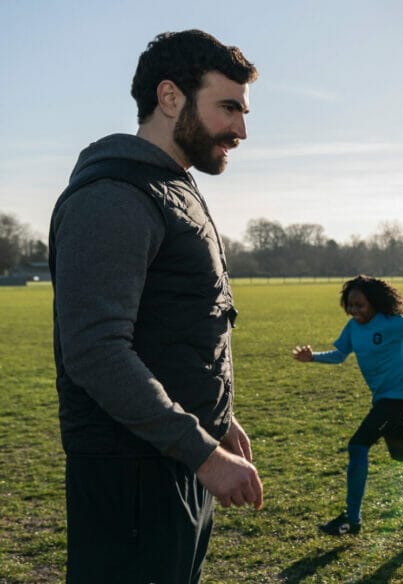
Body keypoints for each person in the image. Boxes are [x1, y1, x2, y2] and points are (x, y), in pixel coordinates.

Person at [48, 30, 262, 581]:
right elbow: (96, 352)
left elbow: (177, 322)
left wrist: (218, 415)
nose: (241, 129)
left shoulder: (171, 185)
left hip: (176, 456)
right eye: (229, 107)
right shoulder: (114, 197)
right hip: (134, 474)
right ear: (170, 98)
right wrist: (205, 454)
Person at [292, 276, 403, 536]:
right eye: (350, 305)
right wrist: (312, 358)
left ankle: (351, 520)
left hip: (399, 395)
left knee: (358, 445)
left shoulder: (391, 323)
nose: (355, 311)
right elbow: (340, 355)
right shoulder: (352, 327)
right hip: (383, 397)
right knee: (400, 453)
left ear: (374, 303)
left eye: (360, 305)